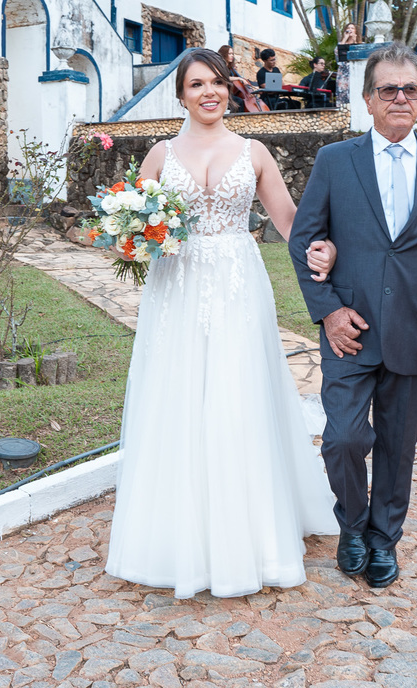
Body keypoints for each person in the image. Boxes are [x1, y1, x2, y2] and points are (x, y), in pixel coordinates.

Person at [106, 48, 339, 598]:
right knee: (179, 394)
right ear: (181, 94)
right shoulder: (159, 155)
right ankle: (176, 534)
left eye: (216, 82)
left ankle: (250, 535)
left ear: (229, 89)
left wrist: (320, 252)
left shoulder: (254, 151)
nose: (208, 92)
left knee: (238, 393)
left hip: (237, 284)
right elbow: (133, 229)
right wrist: (134, 240)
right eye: (195, 84)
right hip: (177, 289)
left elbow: (289, 221)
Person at [287, 43, 417, 589]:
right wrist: (326, 313)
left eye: (410, 89)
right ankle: (351, 524)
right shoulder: (335, 161)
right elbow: (303, 240)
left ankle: (381, 537)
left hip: (411, 331)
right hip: (349, 331)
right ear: (368, 99)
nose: (400, 98)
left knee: (399, 444)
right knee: (344, 438)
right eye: (388, 89)